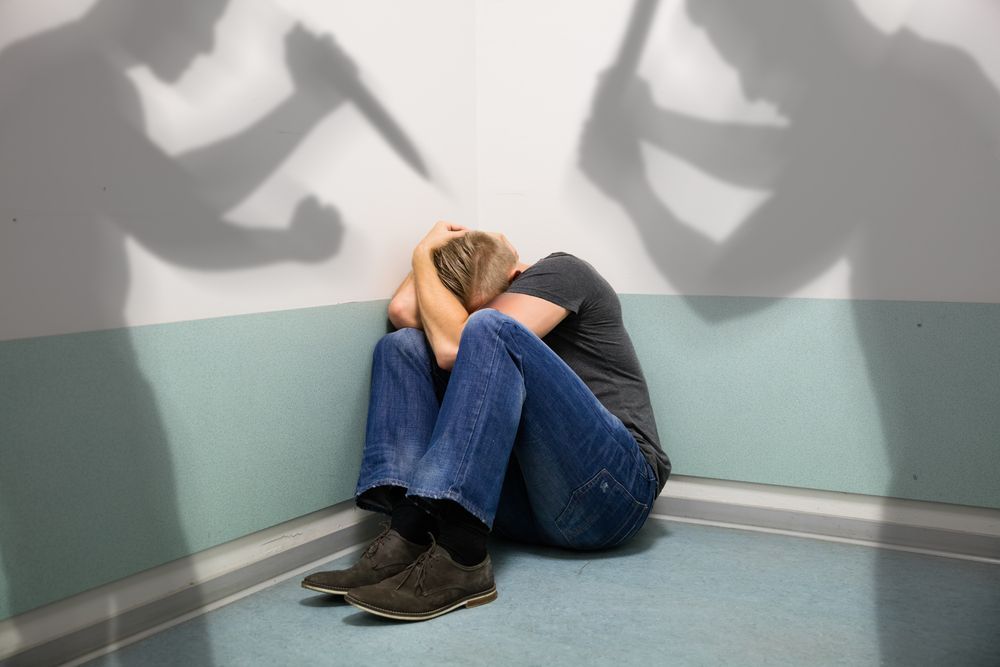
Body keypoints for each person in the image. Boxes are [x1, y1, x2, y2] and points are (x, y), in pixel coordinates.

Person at [302, 221, 671, 621]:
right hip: (525, 509)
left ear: (515, 277)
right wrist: (423, 256)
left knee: (487, 330)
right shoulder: (483, 312)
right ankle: (407, 533)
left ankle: (462, 557)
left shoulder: (563, 272)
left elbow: (455, 346)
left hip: (612, 496)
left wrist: (465, 314)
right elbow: (402, 311)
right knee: (402, 344)